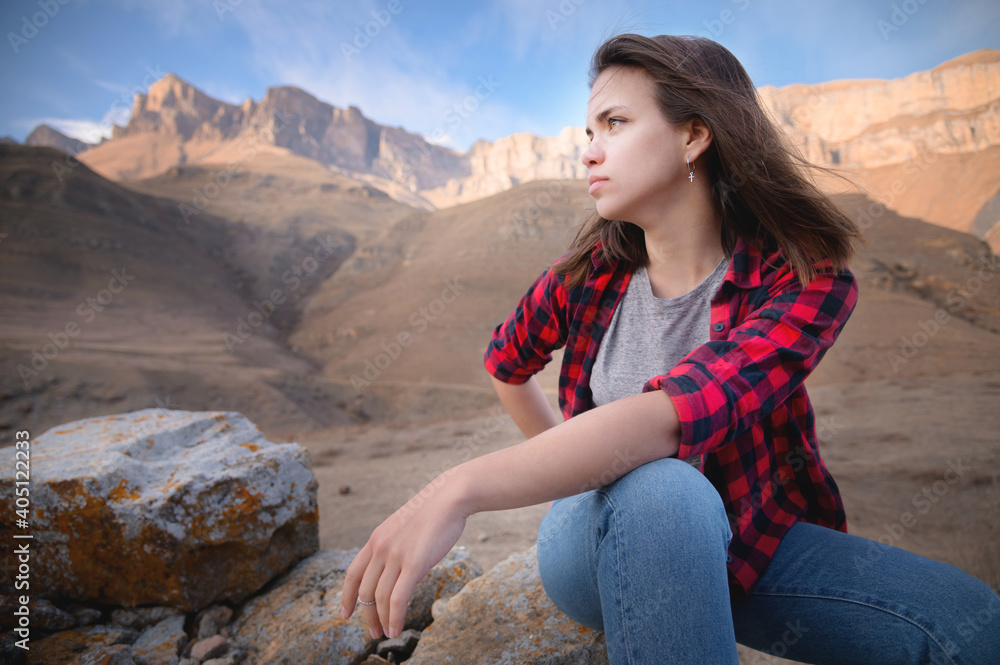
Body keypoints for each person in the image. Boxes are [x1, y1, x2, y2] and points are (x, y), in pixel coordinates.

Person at [341, 33, 1000, 664]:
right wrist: (572, 471)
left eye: (616, 123)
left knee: (972, 626)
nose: (590, 152)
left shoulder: (807, 281)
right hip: (601, 537)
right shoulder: (587, 272)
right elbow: (506, 363)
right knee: (663, 490)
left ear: (693, 134)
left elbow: (679, 411)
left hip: (750, 539)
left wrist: (457, 487)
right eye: (589, 132)